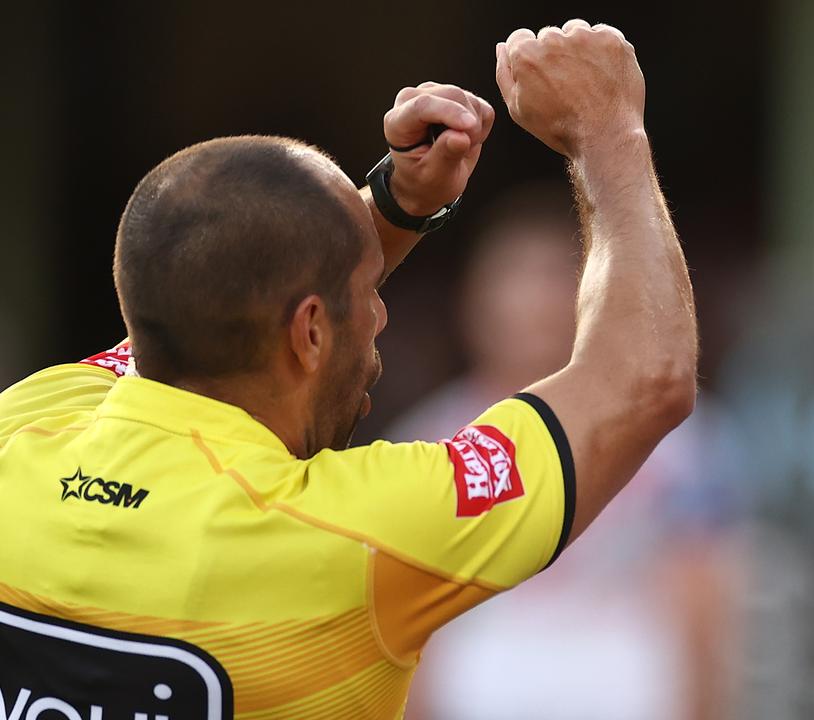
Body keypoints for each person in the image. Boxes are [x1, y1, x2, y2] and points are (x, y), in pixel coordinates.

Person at [0, 20, 696, 720]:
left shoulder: (28, 423)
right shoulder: (350, 537)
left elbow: (220, 300)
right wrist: (607, 133)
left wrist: (396, 205)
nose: (382, 316)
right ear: (309, 332)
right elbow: (643, 379)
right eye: (368, 294)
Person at [384, 185, 744, 720]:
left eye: (553, 278)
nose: (532, 304)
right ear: (473, 302)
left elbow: (704, 604)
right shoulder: (425, 442)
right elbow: (401, 618)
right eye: (514, 279)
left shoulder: (676, 434)